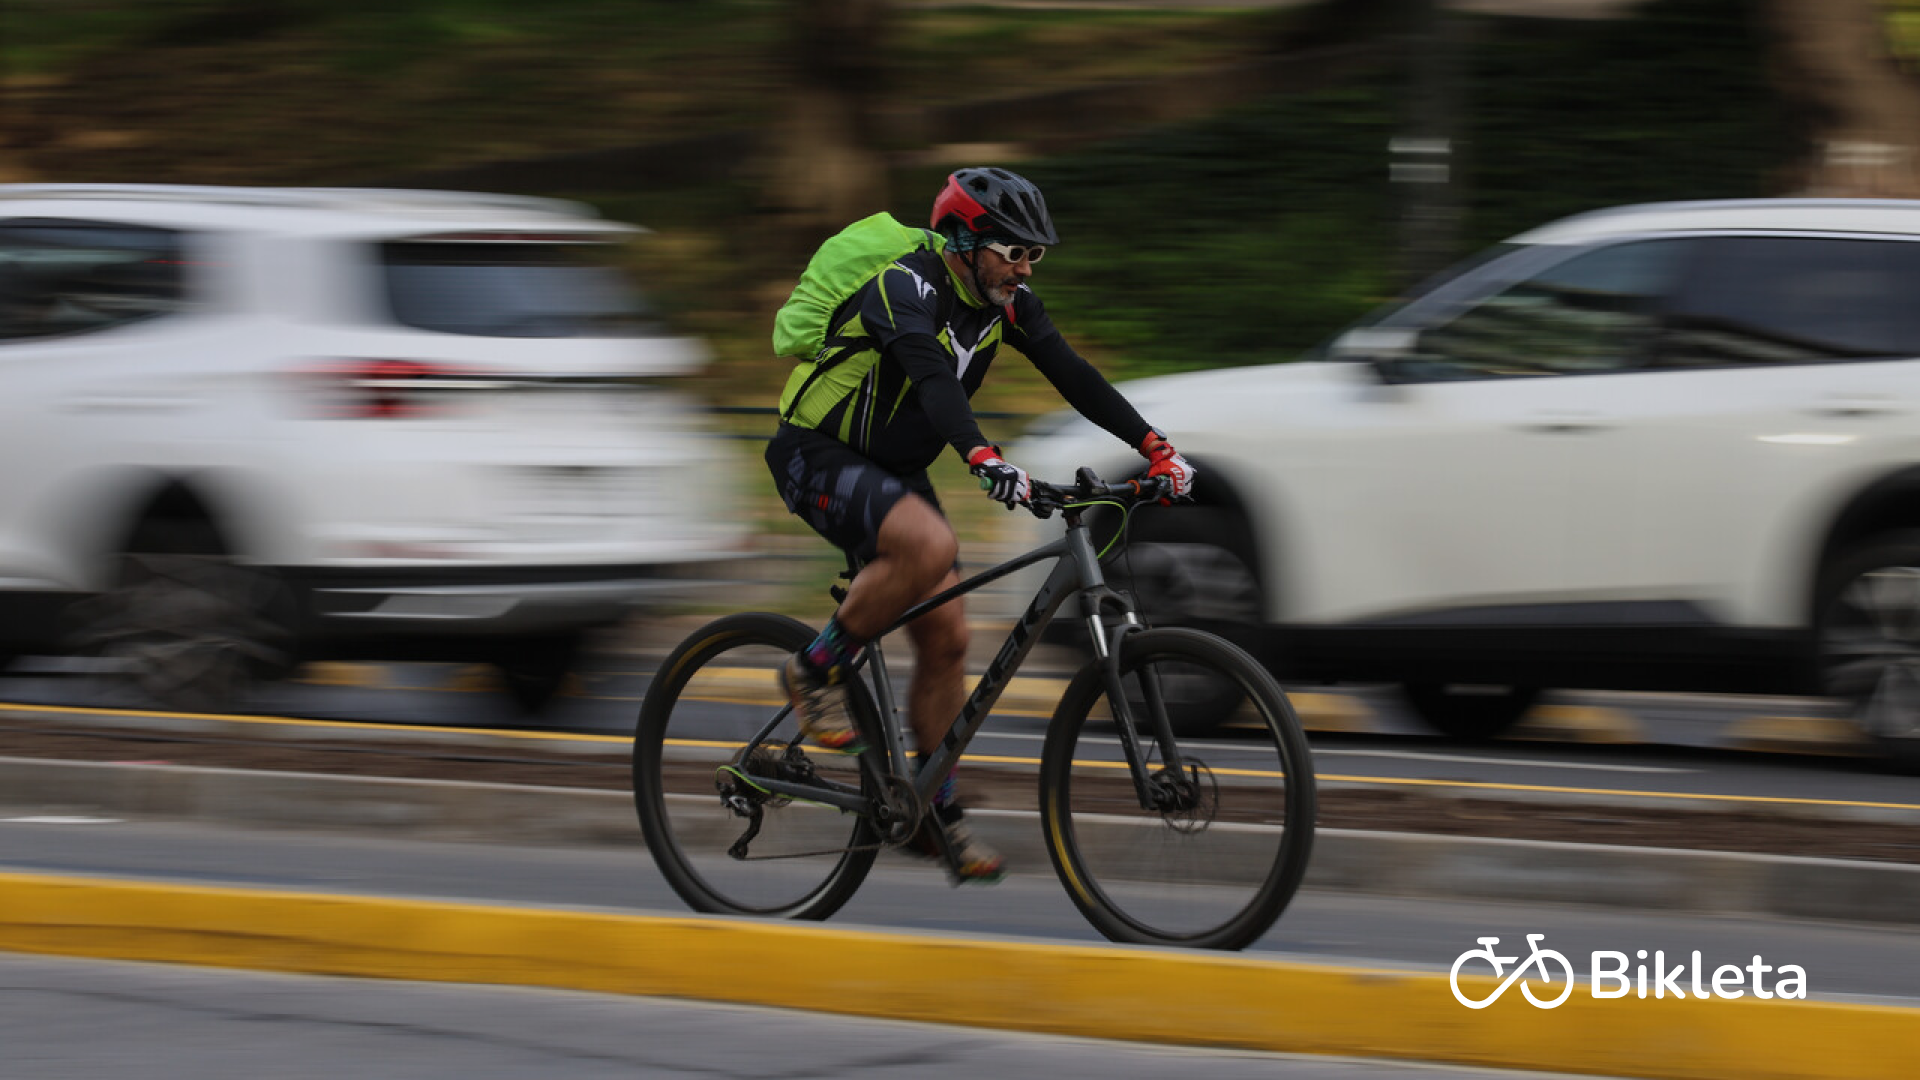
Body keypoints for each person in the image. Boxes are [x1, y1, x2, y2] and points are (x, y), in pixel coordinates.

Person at [764, 166, 1195, 882]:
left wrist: (1154, 445)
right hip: (816, 452)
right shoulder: (904, 286)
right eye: (1012, 251)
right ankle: (813, 668)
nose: (1024, 268)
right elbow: (932, 379)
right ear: (963, 241)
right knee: (932, 544)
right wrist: (983, 455)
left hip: (893, 472)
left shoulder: (1007, 302)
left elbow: (1073, 372)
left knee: (950, 638)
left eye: (1034, 255)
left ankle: (936, 813)